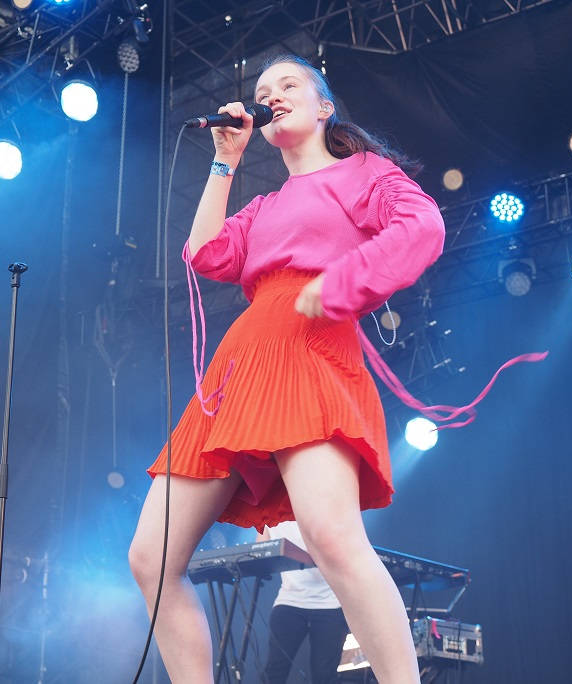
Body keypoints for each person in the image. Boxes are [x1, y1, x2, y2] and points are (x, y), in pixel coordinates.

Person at [129, 53, 445, 684]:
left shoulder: (363, 173)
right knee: (150, 558)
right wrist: (225, 160)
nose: (271, 94)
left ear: (325, 106)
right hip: (240, 365)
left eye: (288, 84)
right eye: (263, 89)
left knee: (331, 538)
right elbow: (205, 253)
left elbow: (423, 225)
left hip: (310, 348)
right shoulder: (266, 204)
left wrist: (344, 281)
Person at [258, 521, 350, 684]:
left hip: (330, 603)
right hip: (289, 600)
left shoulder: (319, 509)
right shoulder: (270, 517)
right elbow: (259, 551)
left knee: (324, 675)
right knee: (274, 672)